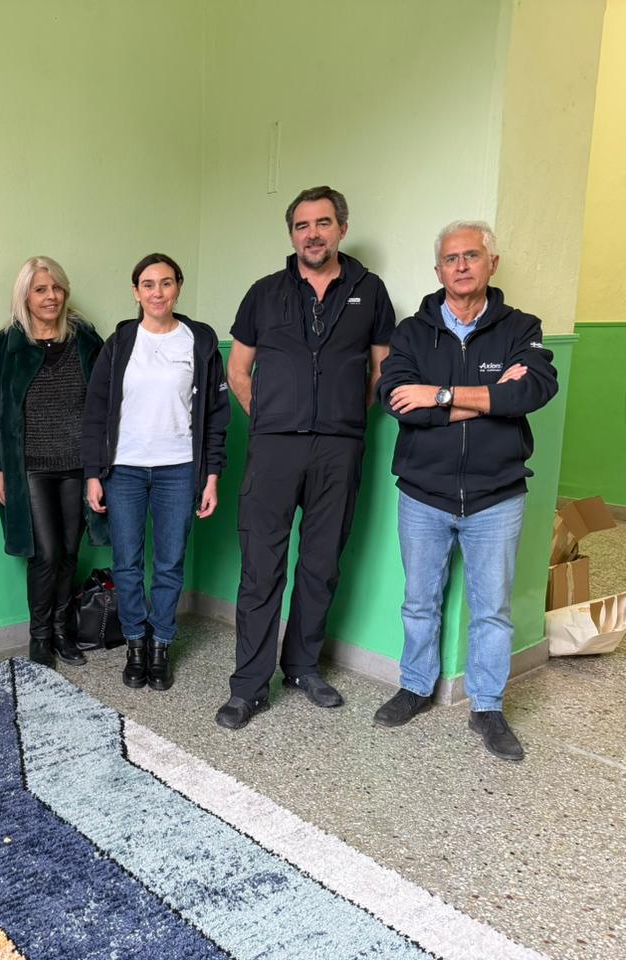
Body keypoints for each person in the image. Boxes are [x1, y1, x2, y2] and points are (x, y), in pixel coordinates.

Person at [375, 221, 557, 762]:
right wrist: (489, 397)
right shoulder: (412, 332)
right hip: (423, 494)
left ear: (491, 264)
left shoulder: (521, 327)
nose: (461, 266)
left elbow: (532, 391)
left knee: (493, 609)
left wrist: (439, 394)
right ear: (438, 271)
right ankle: (414, 686)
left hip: (496, 496)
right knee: (419, 601)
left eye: (471, 256)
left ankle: (488, 707)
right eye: (451, 259)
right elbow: (396, 400)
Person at [218, 185, 396, 731]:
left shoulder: (371, 292)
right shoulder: (264, 293)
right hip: (274, 448)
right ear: (292, 234)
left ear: (341, 228)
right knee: (261, 568)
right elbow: (238, 370)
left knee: (321, 565)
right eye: (302, 225)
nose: (312, 234)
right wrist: (271, 418)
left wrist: (341, 420)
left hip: (339, 448)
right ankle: (248, 687)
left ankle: (301, 667)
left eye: (322, 223)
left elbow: (381, 371)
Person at [81, 253, 230, 691]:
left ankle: (161, 642)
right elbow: (96, 412)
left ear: (178, 287)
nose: (157, 292)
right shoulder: (120, 342)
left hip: (179, 470)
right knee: (126, 563)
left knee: (169, 563)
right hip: (124, 469)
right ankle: (135, 642)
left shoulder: (199, 341)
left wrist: (212, 476)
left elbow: (216, 416)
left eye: (166, 283)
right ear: (136, 292)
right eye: (148, 284)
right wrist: (93, 473)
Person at [0, 257, 106, 668]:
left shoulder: (85, 339)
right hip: (30, 468)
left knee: (70, 551)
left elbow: (105, 403)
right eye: (40, 289)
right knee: (46, 553)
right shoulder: (5, 346)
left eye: (56, 288)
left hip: (78, 464)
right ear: (25, 296)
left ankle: (61, 632)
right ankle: (39, 637)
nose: (51, 296)